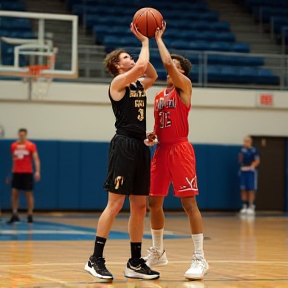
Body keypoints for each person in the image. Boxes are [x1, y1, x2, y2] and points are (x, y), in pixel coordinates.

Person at [84, 24, 159, 281]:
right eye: (126, 57)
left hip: (140, 145)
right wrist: (145, 41)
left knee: (139, 207)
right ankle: (95, 259)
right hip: (124, 145)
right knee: (115, 205)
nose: (132, 59)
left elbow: (152, 74)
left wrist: (142, 51)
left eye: (131, 55)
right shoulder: (118, 83)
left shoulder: (138, 85)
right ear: (117, 65)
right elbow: (141, 68)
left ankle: (135, 262)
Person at [144, 23, 209, 280]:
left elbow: (169, 63)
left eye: (175, 67)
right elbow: (161, 127)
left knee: (188, 203)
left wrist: (158, 38)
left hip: (181, 149)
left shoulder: (185, 87)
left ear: (181, 72)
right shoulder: (159, 96)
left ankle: (200, 258)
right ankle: (159, 251)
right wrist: (153, 135)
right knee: (153, 202)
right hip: (162, 150)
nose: (170, 69)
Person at [7, 128, 40, 224]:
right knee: (14, 193)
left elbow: (36, 158)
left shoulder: (31, 146)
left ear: (26, 135)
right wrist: (12, 172)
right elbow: (14, 159)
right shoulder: (13, 146)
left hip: (27, 172)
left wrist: (37, 171)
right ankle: (14, 214)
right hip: (17, 172)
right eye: (20, 135)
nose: (21, 136)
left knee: (28, 194)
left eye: (23, 135)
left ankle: (30, 214)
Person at [239, 136, 260, 215]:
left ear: (250, 142)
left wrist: (252, 166)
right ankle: (244, 205)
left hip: (251, 171)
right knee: (243, 188)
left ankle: (251, 205)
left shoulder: (254, 150)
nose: (246, 142)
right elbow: (240, 159)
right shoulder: (242, 150)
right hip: (243, 170)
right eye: (245, 141)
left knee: (251, 189)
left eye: (247, 141)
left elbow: (257, 161)